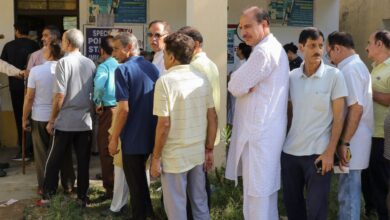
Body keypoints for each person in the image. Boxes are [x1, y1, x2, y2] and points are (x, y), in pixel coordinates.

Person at [224, 6, 289, 219]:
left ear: (265, 24)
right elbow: (238, 84)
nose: (244, 32)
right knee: (264, 191)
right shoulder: (270, 47)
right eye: (241, 27)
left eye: (249, 26)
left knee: (257, 193)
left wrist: (239, 83)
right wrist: (240, 84)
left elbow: (234, 85)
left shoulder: (263, 51)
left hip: (259, 133)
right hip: (265, 131)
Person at [150, 32, 217, 220]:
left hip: (174, 157)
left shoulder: (165, 81)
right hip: (197, 153)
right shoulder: (202, 78)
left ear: (171, 56)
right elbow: (212, 116)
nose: (163, 59)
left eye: (164, 55)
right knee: (200, 203)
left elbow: (163, 124)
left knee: (176, 208)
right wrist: (209, 148)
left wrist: (156, 158)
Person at [282, 27, 347, 220]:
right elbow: (288, 114)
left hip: (319, 155)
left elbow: (339, 118)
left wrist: (330, 152)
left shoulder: (334, 76)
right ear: (301, 47)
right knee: (293, 207)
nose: (318, 50)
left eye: (320, 45)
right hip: (290, 153)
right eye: (312, 46)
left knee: (317, 208)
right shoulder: (291, 77)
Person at [37, 28, 96, 206]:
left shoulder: (63, 63)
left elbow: (59, 96)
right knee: (83, 161)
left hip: (65, 121)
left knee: (53, 158)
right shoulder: (90, 63)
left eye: (63, 40)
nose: (61, 43)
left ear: (68, 43)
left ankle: (48, 194)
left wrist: (52, 119)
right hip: (85, 121)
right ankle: (83, 196)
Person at [108, 32, 159, 220]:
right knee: (140, 182)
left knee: (136, 185)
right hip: (151, 133)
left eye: (115, 49)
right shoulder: (152, 68)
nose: (113, 54)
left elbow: (123, 109)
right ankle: (149, 214)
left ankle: (142, 215)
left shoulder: (121, 70)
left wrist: (114, 138)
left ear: (128, 48)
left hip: (132, 136)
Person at [326, 31, 374, 220]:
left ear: (337, 48)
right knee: (346, 189)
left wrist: (343, 142)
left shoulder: (350, 69)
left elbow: (356, 109)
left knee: (349, 191)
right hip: (353, 139)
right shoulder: (355, 66)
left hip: (351, 141)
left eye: (328, 52)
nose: (328, 58)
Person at [21, 41, 76, 195]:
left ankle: (45, 186)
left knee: (42, 154)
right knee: (64, 153)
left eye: (45, 47)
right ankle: (68, 184)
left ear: (50, 52)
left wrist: (24, 117)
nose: (42, 49)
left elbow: (29, 97)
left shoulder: (36, 71)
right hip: (62, 116)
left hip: (40, 117)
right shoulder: (67, 69)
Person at [177, 25, 220, 218]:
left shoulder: (195, 66)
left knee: (196, 190)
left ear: (194, 44)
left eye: (182, 42)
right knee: (200, 187)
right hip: (206, 132)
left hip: (198, 134)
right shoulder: (208, 63)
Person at [1, 21, 39, 161]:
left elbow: (3, 65)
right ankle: (34, 149)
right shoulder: (35, 46)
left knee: (20, 117)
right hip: (32, 87)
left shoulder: (8, 45)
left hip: (15, 87)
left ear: (16, 31)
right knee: (33, 117)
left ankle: (23, 150)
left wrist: (17, 73)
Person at [363, 30, 390, 220]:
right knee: (371, 178)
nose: (366, 47)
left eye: (369, 42)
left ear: (380, 44)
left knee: (382, 181)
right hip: (371, 134)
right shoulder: (374, 67)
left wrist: (367, 93)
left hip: (384, 136)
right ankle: (372, 209)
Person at [93, 35, 119, 200]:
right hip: (123, 109)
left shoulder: (104, 67)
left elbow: (99, 86)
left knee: (106, 149)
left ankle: (110, 189)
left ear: (102, 50)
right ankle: (120, 186)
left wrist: (97, 102)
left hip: (108, 111)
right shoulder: (121, 64)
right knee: (118, 149)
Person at [227, 42, 252, 126]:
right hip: (233, 93)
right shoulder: (239, 62)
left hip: (238, 94)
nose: (236, 50)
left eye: (237, 49)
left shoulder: (245, 64)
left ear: (241, 51)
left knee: (236, 112)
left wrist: (231, 76)